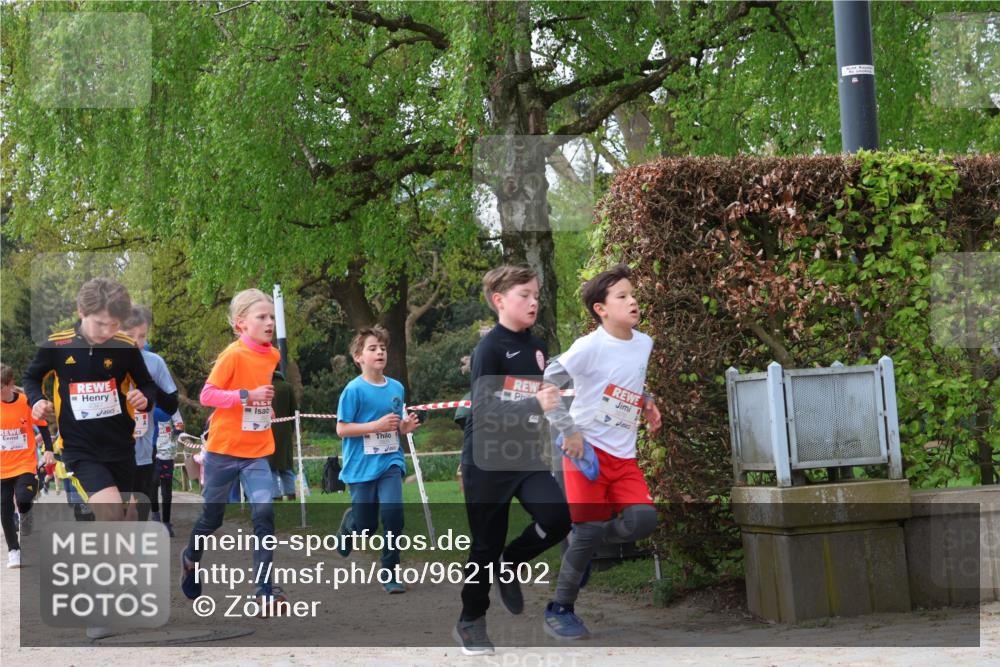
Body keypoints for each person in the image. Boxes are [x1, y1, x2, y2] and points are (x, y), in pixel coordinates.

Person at [540, 264, 662, 639]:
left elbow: (626, 382)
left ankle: (583, 541)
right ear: (601, 309)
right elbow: (547, 387)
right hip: (585, 454)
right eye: (622, 296)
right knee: (588, 529)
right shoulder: (588, 346)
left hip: (623, 458)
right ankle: (560, 609)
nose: (633, 301)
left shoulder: (643, 343)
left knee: (643, 521)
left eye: (632, 293)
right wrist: (569, 432)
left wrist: (648, 401)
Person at [454, 265, 571, 655]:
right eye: (525, 294)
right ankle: (471, 620)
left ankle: (513, 561)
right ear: (500, 300)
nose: (534, 301)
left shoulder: (538, 349)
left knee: (558, 518)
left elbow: (544, 401)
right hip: (487, 461)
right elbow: (484, 411)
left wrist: (565, 425)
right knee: (485, 546)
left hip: (524, 458)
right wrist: (533, 402)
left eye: (536, 294)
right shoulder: (488, 349)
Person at [178, 288, 286, 613]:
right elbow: (207, 395)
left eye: (271, 317)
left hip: (256, 450)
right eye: (262, 317)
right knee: (212, 518)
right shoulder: (233, 354)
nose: (269, 322)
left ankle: (264, 590)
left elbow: (261, 393)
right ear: (242, 324)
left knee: (264, 512)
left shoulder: (273, 355)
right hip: (223, 451)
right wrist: (247, 395)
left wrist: (265, 406)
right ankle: (190, 557)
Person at [22, 278, 160, 522]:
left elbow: (147, 385)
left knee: (126, 518)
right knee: (112, 513)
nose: (107, 332)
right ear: (81, 312)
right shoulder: (57, 345)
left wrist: (144, 398)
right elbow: (31, 378)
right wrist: (36, 401)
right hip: (80, 448)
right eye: (100, 324)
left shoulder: (125, 346)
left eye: (114, 325)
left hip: (121, 447)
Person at [334, 325, 420, 594]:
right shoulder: (353, 390)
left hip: (390, 462)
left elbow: (394, 424)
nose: (380, 352)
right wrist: (375, 426)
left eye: (382, 348)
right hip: (361, 466)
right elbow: (342, 429)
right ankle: (351, 525)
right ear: (359, 357)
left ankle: (390, 570)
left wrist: (403, 429)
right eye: (372, 348)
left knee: (394, 516)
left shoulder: (396, 387)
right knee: (367, 528)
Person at [121, 305, 181, 521]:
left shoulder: (154, 363)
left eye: (142, 336)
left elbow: (172, 405)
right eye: (129, 336)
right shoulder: (101, 362)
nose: (137, 342)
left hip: (143, 453)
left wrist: (150, 390)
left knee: (139, 516)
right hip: (109, 452)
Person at [1, 364, 54, 568]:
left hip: (24, 462)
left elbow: (43, 427)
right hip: (2, 467)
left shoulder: (26, 402)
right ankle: (14, 550)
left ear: (10, 384)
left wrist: (49, 449)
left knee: (23, 499)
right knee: (4, 509)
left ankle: (26, 513)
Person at [150, 406, 184, 536]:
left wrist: (176, 431)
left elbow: (180, 425)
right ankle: (155, 515)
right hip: (149, 450)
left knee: (166, 490)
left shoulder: (171, 405)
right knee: (152, 484)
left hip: (166, 452)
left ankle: (166, 523)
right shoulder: (146, 403)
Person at [268, 370, 297, 501]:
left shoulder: (266, 387)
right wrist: (291, 428)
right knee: (286, 463)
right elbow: (294, 410)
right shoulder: (288, 387)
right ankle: (291, 492)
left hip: (268, 429)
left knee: (271, 464)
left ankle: (276, 494)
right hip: (285, 429)